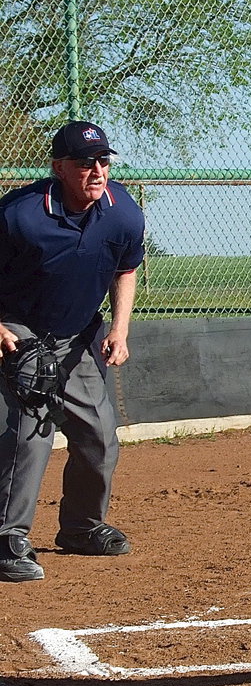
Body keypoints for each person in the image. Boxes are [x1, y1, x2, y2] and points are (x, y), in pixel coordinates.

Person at [0, 121, 145, 583]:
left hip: (79, 333)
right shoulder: (19, 215)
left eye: (103, 160)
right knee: (29, 437)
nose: (97, 169)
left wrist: (120, 329)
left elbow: (126, 268)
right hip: (20, 330)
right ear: (59, 168)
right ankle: (8, 540)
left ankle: (82, 527)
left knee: (100, 436)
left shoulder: (121, 210)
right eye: (85, 163)